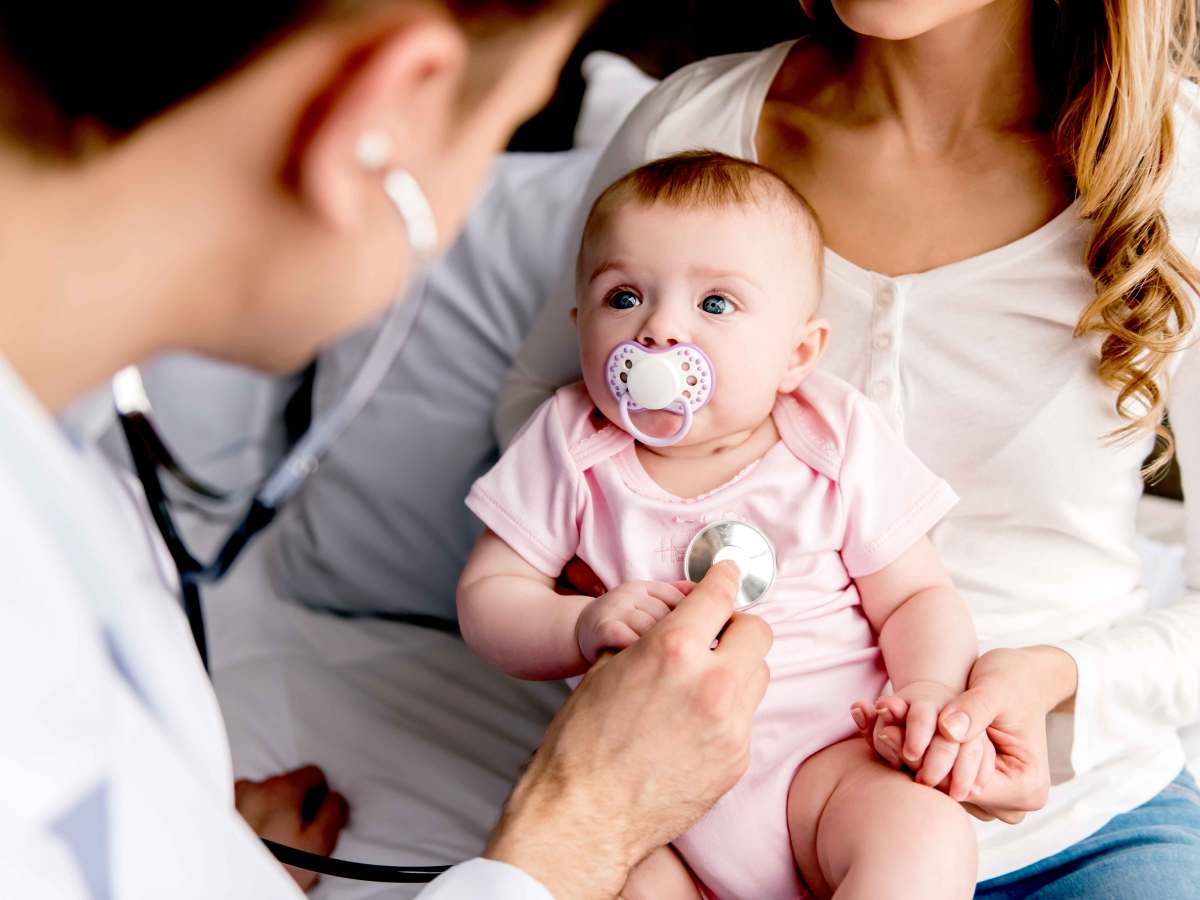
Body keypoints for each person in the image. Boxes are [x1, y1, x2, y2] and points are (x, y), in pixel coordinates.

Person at [0, 2, 773, 897]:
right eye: (504, 125)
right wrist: (583, 821)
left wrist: (191, 857)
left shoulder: (70, 473)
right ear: (380, 118)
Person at [498, 0, 1200, 894]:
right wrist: (618, 620)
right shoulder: (693, 129)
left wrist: (1056, 680)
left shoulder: (1180, 169)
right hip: (696, 822)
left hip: (1075, 826)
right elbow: (541, 420)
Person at [459, 150, 985, 899]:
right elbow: (491, 594)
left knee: (924, 833)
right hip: (643, 796)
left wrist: (929, 688)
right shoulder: (572, 443)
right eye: (624, 297)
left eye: (714, 305)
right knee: (614, 882)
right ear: (580, 327)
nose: (660, 331)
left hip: (828, 765)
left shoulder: (831, 437)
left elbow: (914, 597)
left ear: (796, 355)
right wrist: (577, 624)